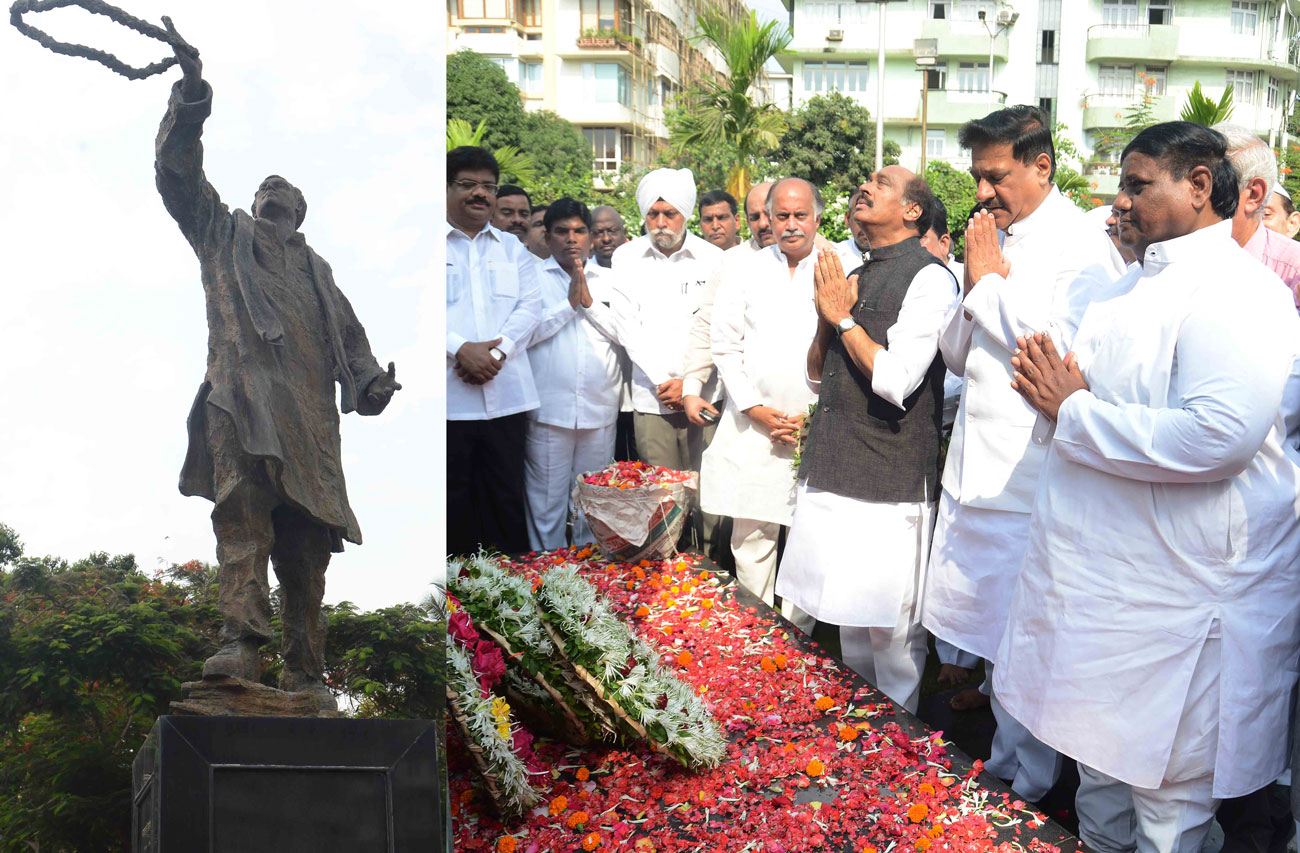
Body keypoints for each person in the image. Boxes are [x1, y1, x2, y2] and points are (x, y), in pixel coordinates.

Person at [1000, 120, 1300, 853]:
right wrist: (1054, 398)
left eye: (1139, 184)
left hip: (1184, 595)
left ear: (1200, 186)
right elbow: (1077, 406)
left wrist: (1072, 411)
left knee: (1170, 811)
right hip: (1106, 595)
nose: (1121, 200)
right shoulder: (1122, 290)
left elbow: (1218, 436)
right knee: (1100, 789)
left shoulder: (1240, 290)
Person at [155, 27, 401, 708]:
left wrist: (375, 383)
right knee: (242, 518)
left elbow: (354, 350)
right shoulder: (221, 231)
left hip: (310, 429)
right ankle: (243, 642)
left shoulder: (320, 274)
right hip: (242, 400)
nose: (269, 196)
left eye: (281, 196)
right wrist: (191, 98)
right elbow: (177, 176)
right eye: (264, 191)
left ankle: (306, 670)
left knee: (304, 553)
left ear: (297, 215)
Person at [921, 106, 1125, 800]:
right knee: (990, 634)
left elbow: (1061, 353)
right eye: (977, 176)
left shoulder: (1082, 242)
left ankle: (1030, 787)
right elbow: (952, 353)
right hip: (975, 463)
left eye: (995, 175)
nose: (982, 192)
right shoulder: (992, 239)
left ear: (1042, 165)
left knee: (1028, 638)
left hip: (1032, 474)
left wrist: (990, 282)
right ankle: (1001, 766)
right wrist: (974, 281)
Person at [776, 166, 959, 714]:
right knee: (846, 621)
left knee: (891, 634)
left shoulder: (930, 278)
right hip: (833, 466)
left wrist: (844, 319)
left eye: (882, 183)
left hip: (889, 478)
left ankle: (902, 748)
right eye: (865, 181)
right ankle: (860, 743)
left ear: (912, 211)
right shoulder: (854, 273)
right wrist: (825, 320)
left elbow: (899, 379)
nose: (864, 186)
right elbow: (815, 375)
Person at [699, 179, 822, 607]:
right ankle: (757, 635)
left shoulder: (838, 265)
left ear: (817, 217)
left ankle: (799, 647)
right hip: (754, 425)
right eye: (781, 216)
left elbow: (845, 346)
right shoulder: (745, 269)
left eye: (799, 216)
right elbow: (724, 344)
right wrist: (755, 409)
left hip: (814, 425)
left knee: (809, 539)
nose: (790, 225)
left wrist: (817, 417)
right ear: (769, 218)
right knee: (752, 536)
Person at [610, 168, 724, 548]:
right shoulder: (626, 257)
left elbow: (716, 327)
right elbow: (627, 327)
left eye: (669, 213)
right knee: (662, 500)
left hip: (706, 393)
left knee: (710, 500)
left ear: (685, 214)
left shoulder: (713, 258)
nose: (660, 222)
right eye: (652, 214)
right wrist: (664, 380)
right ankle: (664, 591)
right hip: (651, 396)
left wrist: (689, 384)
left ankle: (713, 585)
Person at [445, 146, 542, 558]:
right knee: (454, 505)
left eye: (488, 186)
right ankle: (457, 611)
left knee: (506, 501)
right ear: (446, 188)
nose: (480, 194)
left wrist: (494, 356)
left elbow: (531, 306)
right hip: (450, 401)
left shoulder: (511, 248)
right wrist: (459, 349)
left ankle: (512, 608)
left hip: (507, 398)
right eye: (468, 184)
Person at [522, 199, 622, 550]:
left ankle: (589, 587)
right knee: (545, 509)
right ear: (547, 238)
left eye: (580, 231)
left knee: (592, 505)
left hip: (599, 409)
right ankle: (544, 585)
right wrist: (569, 306)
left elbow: (627, 334)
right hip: (549, 412)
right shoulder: (530, 277)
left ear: (592, 238)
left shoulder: (612, 280)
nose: (571, 239)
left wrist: (589, 305)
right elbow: (525, 334)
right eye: (561, 232)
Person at [682, 182, 776, 430]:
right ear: (745, 220)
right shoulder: (733, 261)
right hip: (741, 400)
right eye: (755, 217)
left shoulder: (819, 257)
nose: (764, 224)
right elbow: (705, 324)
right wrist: (691, 388)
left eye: (770, 213)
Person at [1212, 123, 1300, 305]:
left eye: (1207, 186)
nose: (1192, 197)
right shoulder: (1161, 254)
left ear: (1254, 195)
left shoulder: (1292, 269)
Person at [590, 205, 635, 461]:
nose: (606, 238)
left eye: (613, 231)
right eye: (598, 232)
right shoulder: (584, 276)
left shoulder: (640, 271)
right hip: (603, 393)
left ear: (624, 232)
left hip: (639, 388)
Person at [837, 188, 870, 271]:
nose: (866, 225)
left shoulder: (902, 258)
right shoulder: (834, 255)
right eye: (859, 217)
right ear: (847, 219)